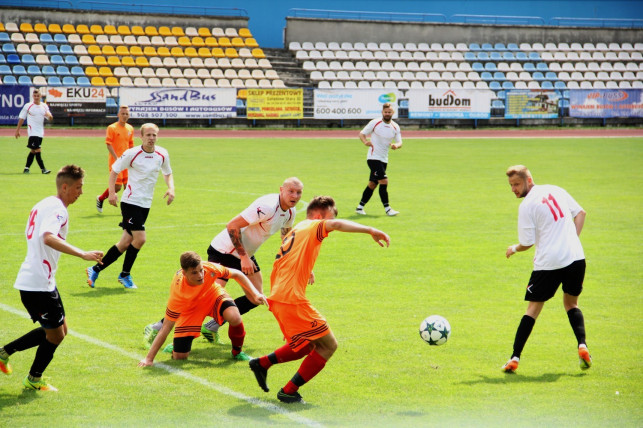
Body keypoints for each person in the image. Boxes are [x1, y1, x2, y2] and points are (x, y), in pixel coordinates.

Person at [249, 196, 390, 403]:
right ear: (317, 216)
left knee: (307, 344)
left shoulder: (298, 229)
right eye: (328, 220)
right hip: (291, 299)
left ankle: (262, 364)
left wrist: (307, 269)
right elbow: (336, 225)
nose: (329, 228)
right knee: (328, 345)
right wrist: (370, 230)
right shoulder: (314, 225)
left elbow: (288, 259)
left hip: (280, 297)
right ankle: (288, 391)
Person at [143, 177, 304, 347]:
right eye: (291, 191)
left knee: (256, 296)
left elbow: (286, 239)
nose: (294, 195)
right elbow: (232, 225)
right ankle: (158, 328)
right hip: (225, 250)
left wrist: (298, 261)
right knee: (203, 297)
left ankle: (211, 327)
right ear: (281, 190)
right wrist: (244, 257)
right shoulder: (267, 207)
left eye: (298, 192)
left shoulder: (290, 212)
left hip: (245, 254)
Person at [0, 165, 104, 391]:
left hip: (42, 280)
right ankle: (33, 378)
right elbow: (47, 237)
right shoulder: (58, 210)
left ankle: (4, 353)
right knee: (56, 335)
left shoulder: (45, 203)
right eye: (78, 187)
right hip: (38, 284)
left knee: (60, 330)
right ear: (65, 187)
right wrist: (82, 254)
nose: (81, 192)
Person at [502, 165, 591, 373]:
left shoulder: (527, 206)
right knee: (571, 304)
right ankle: (582, 345)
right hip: (576, 258)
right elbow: (581, 213)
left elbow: (527, 243)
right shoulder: (555, 189)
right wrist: (571, 240)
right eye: (511, 185)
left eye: (516, 184)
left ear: (529, 180)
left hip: (548, 264)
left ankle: (514, 358)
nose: (513, 189)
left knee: (533, 310)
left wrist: (513, 248)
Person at [137, 251, 268, 366]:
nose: (200, 275)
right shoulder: (178, 293)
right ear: (184, 273)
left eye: (201, 270)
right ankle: (176, 347)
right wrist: (149, 359)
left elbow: (237, 274)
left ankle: (237, 352)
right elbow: (166, 327)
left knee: (234, 316)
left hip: (212, 295)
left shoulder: (209, 268)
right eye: (194, 273)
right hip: (190, 309)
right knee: (180, 357)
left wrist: (255, 294)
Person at [86, 123, 174, 289]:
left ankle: (95, 269)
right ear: (141, 136)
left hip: (145, 204)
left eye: (154, 135)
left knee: (125, 242)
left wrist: (171, 188)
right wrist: (112, 193)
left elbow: (167, 172)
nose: (151, 138)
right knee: (140, 238)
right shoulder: (132, 153)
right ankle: (125, 274)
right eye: (148, 135)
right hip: (130, 202)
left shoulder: (162, 153)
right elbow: (114, 171)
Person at [355, 102, 403, 216]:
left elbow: (400, 142)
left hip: (384, 159)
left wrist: (396, 146)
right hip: (373, 158)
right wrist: (365, 142)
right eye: (385, 112)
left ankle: (360, 207)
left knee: (372, 184)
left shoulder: (395, 126)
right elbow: (362, 134)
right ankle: (388, 209)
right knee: (384, 181)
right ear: (382, 112)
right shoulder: (375, 122)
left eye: (389, 112)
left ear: (392, 113)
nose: (387, 114)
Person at [96, 105, 134, 213]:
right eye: (123, 113)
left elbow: (131, 145)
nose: (125, 116)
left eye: (126, 114)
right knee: (117, 187)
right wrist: (116, 158)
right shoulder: (112, 128)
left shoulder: (130, 128)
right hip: (115, 160)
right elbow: (108, 144)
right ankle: (100, 198)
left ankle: (127, 210)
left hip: (126, 161)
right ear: (118, 115)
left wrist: (133, 159)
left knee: (128, 186)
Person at [15, 88, 53, 174]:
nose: (36, 97)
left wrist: (49, 116)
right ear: (32, 96)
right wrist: (17, 130)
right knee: (38, 150)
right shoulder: (28, 106)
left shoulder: (44, 106)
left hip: (40, 132)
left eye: (38, 96)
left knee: (33, 151)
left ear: (40, 96)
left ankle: (26, 169)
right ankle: (43, 169)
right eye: (35, 96)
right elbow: (22, 118)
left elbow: (50, 118)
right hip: (32, 132)